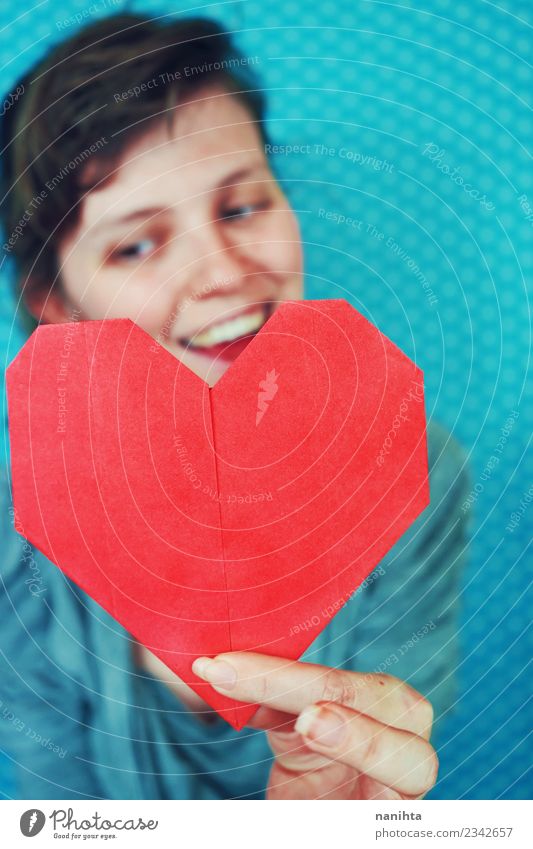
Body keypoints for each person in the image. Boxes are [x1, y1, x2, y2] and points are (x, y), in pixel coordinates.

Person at [0, 14, 470, 800]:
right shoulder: (14, 524)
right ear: (58, 305)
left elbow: (401, 732)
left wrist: (357, 815)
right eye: (136, 245)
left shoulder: (414, 470)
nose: (220, 271)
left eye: (240, 206)